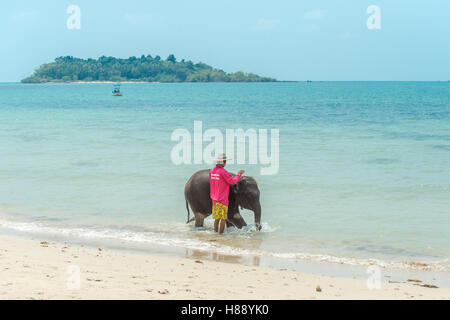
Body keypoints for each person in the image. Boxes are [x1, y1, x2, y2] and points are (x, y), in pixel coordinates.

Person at [209, 153, 245, 234]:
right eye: (225, 161)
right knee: (223, 218)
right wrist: (239, 174)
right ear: (223, 162)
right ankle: (220, 235)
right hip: (222, 199)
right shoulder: (223, 172)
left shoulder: (212, 171)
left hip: (214, 198)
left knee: (217, 218)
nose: (225, 163)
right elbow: (232, 181)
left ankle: (215, 233)